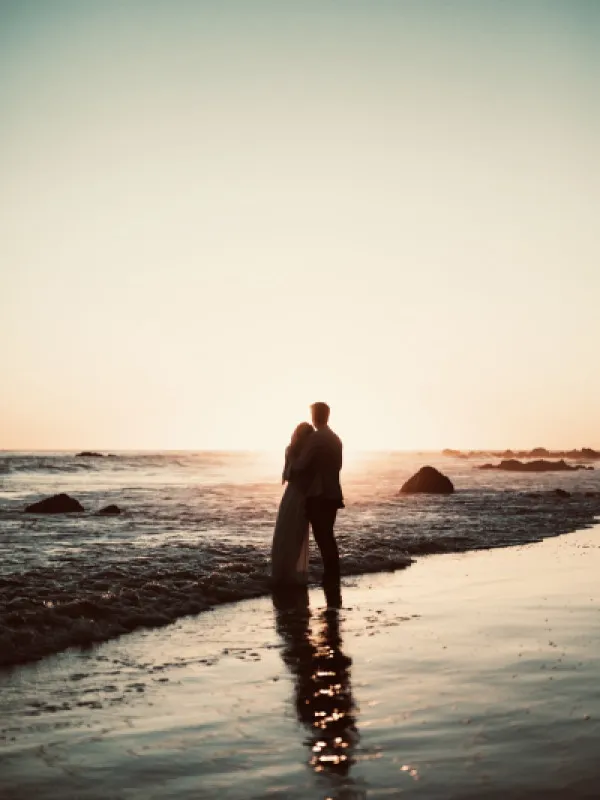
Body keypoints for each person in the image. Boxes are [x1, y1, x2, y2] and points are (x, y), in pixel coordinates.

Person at [290, 402, 344, 607]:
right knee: (327, 536)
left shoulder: (316, 439)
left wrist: (291, 456)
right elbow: (338, 466)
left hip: (319, 494)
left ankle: (330, 578)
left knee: (323, 538)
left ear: (315, 416)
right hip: (333, 493)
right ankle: (332, 577)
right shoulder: (336, 439)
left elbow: (301, 465)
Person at [271, 422, 314, 586]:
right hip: (291, 495)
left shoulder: (309, 454)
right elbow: (286, 475)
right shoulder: (291, 450)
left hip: (302, 497)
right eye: (303, 435)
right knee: (283, 534)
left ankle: (290, 575)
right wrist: (291, 458)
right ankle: (281, 573)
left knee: (295, 536)